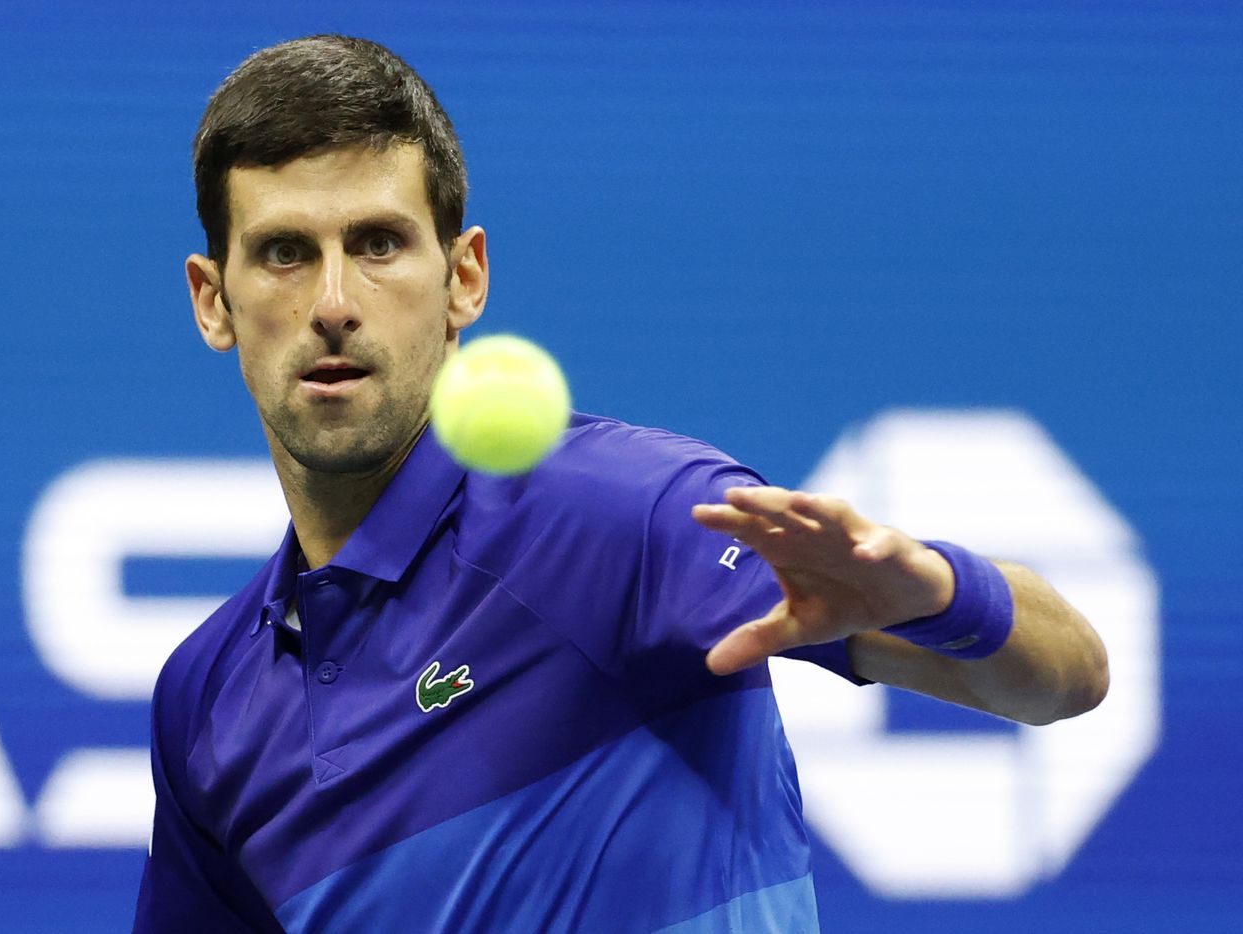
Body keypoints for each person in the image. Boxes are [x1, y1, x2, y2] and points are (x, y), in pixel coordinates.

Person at [133, 34, 1108, 934]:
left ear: (463, 278)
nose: (334, 303)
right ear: (213, 301)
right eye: (284, 254)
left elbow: (1065, 678)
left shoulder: (624, 517)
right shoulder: (206, 700)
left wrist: (937, 594)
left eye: (379, 244)